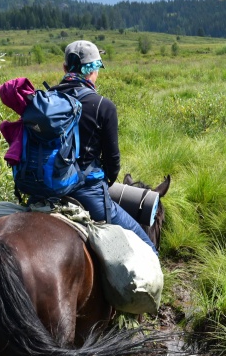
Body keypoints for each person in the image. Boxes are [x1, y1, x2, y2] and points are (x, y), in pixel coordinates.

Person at [55, 40, 158, 254]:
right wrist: (106, 181)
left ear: (65, 68)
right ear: (94, 71)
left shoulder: (45, 99)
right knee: (148, 249)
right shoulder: (103, 106)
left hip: (41, 191)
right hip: (87, 195)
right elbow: (113, 164)